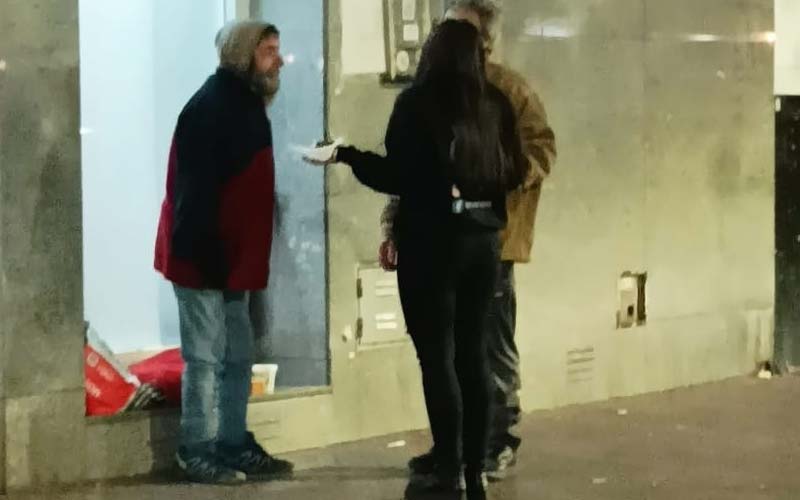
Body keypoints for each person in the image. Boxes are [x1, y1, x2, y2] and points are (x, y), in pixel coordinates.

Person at [306, 20, 528, 500]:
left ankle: (447, 467)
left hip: (431, 244)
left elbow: (395, 175)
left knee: (437, 358)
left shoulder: (417, 104)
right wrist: (476, 190)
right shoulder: (495, 104)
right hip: (483, 243)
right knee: (473, 355)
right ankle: (475, 468)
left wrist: (345, 155)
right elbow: (518, 170)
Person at [378, 0, 556, 481]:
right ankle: (452, 447)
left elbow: (540, 149)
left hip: (488, 240)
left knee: (489, 348)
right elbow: (408, 170)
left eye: (458, 28)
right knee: (445, 351)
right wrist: (393, 226)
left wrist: (494, 179)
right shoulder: (429, 93)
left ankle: (497, 440)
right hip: (436, 242)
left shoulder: (507, 91)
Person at [153, 20, 293, 484]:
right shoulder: (213, 108)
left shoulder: (244, 105)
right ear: (242, 54)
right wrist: (208, 260)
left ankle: (232, 442)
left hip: (231, 264)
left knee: (236, 357)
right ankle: (197, 449)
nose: (278, 60)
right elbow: (193, 195)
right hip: (203, 260)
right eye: (268, 51)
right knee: (206, 359)